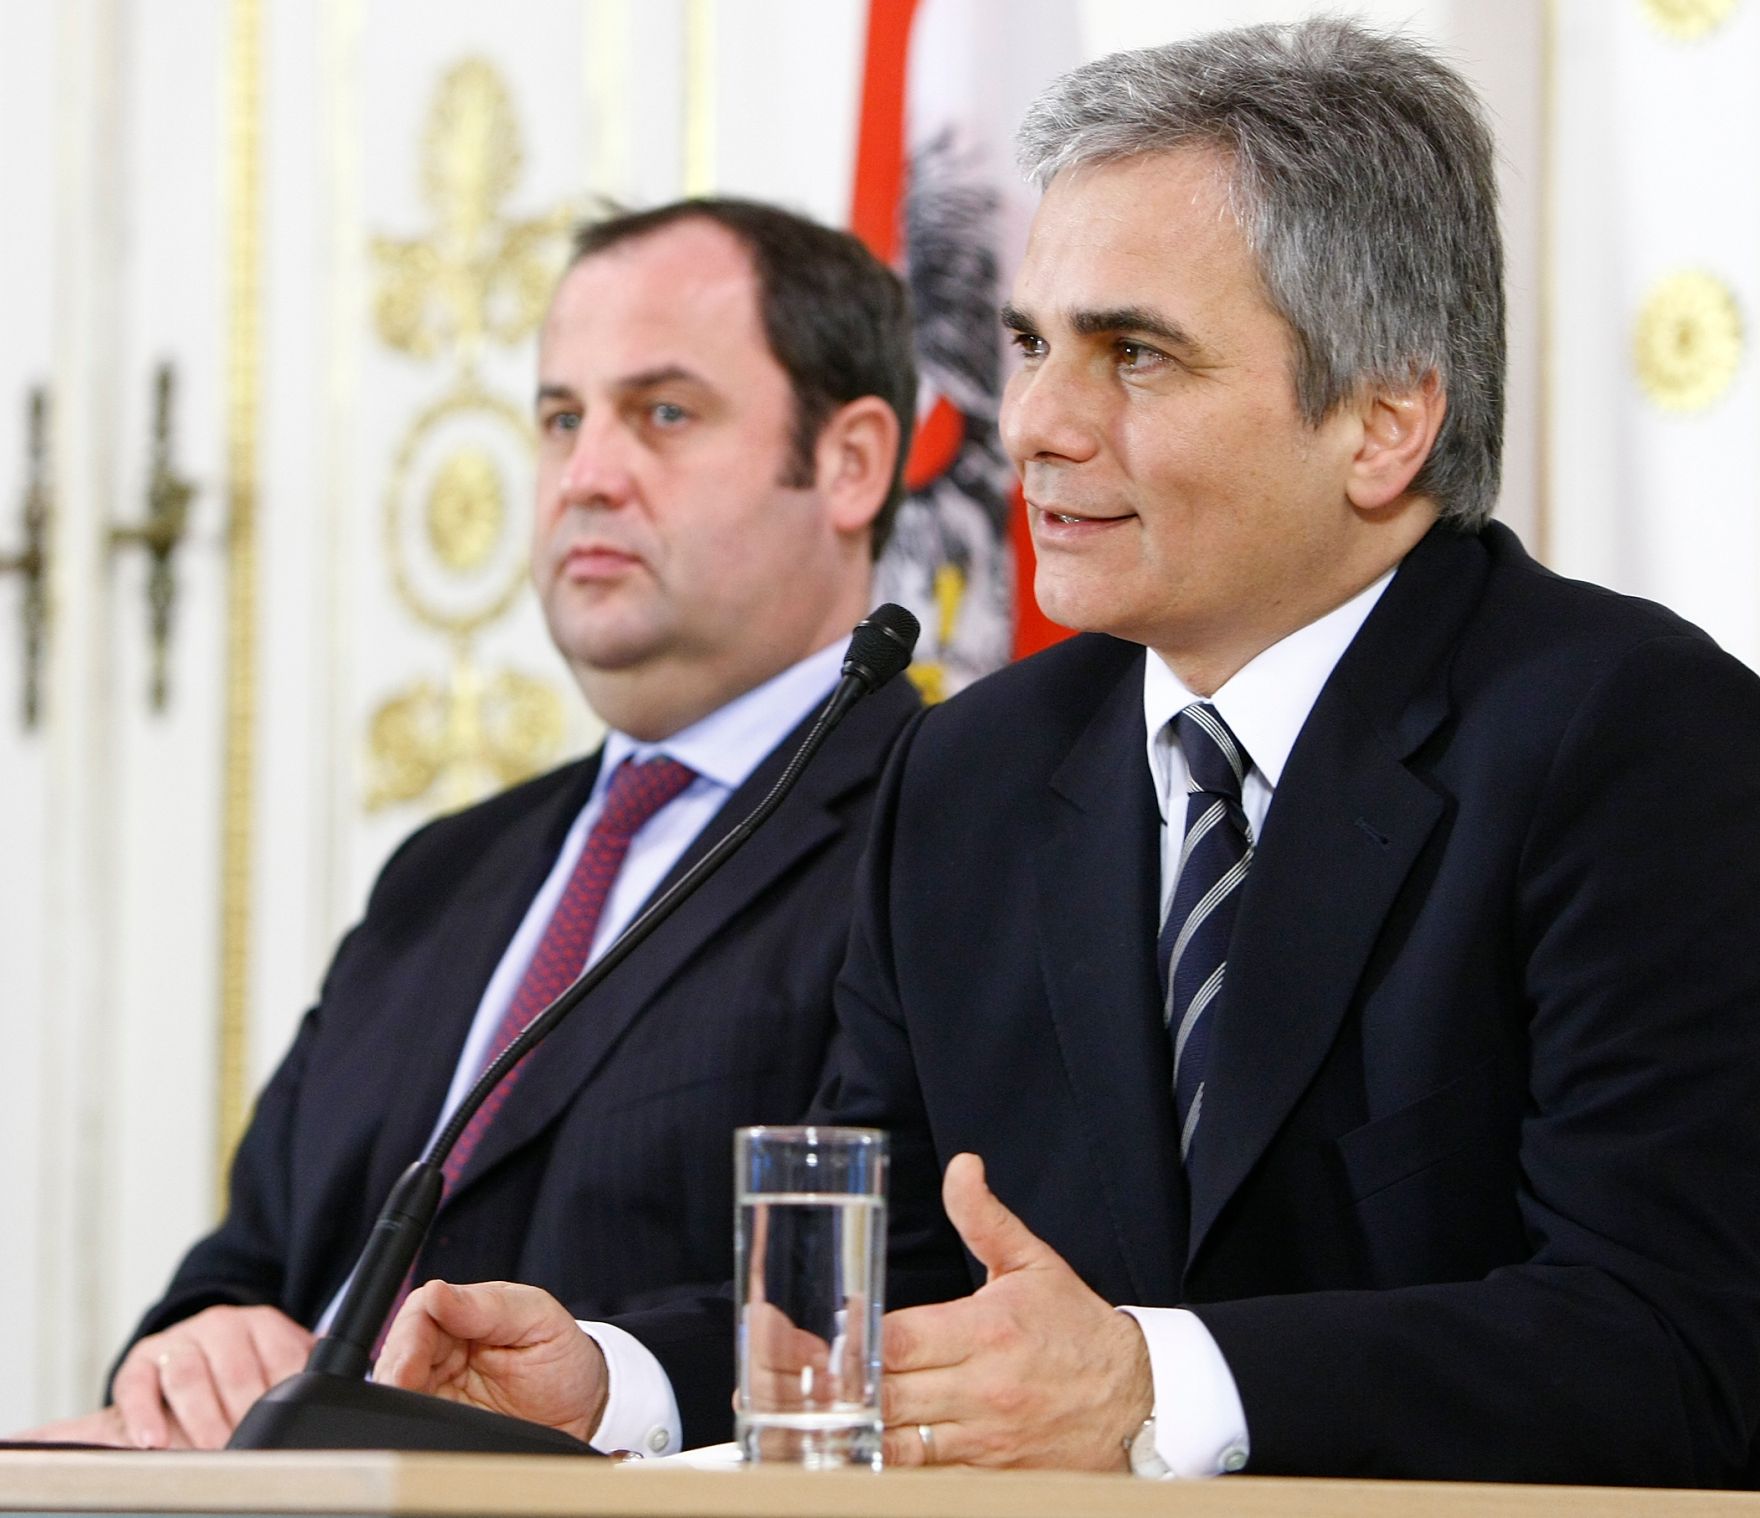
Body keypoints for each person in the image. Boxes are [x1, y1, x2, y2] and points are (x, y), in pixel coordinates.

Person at [376, 19, 1760, 1486]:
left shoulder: (1636, 737)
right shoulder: (967, 776)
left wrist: (1155, 1381)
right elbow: (894, 1278)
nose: (1029, 422)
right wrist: (617, 1379)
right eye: (1033, 342)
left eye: (1134, 355)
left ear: (1383, 419)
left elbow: (1674, 1337)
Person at [29, 197, 921, 1451]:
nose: (585, 475)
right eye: (562, 418)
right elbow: (252, 1256)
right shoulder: (446, 870)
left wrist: (611, 1381)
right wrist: (202, 1336)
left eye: (663, 413)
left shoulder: (941, 826)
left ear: (850, 463)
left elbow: (910, 1287)